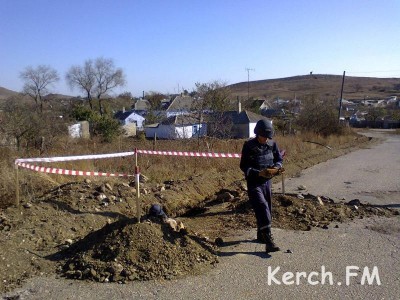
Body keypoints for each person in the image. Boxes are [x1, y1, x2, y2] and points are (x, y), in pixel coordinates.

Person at [240, 119, 283, 253]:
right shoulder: (249, 146)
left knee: (267, 209)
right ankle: (269, 241)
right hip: (254, 183)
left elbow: (279, 160)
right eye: (264, 136)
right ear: (257, 133)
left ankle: (261, 235)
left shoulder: (272, 144)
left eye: (268, 137)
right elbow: (243, 166)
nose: (266, 139)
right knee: (262, 206)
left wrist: (276, 168)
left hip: (267, 183)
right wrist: (258, 173)